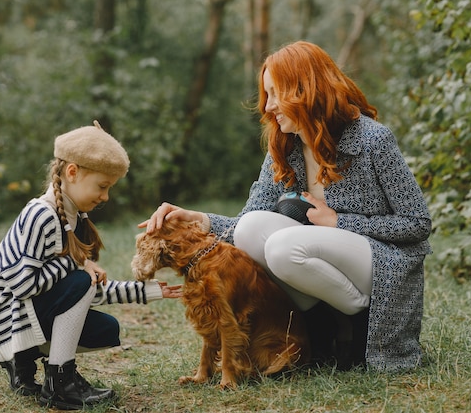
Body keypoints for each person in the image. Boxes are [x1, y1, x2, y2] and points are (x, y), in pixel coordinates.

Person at [141, 41, 432, 372]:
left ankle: (358, 328)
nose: (269, 107)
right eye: (267, 96)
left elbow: (417, 223)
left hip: (380, 262)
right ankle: (320, 332)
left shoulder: (372, 140)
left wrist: (339, 221)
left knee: (283, 246)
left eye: (276, 95)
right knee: (253, 229)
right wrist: (202, 220)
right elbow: (248, 221)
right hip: (315, 257)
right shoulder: (284, 145)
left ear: (305, 90)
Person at [0, 121, 182, 410]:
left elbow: (81, 294)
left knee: (105, 329)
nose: (106, 197)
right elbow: (22, 286)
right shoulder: (42, 216)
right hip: (3, 319)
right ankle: (58, 383)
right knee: (80, 280)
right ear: (72, 172)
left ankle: (39, 368)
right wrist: (74, 264)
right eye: (102, 186)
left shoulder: (74, 220)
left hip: (29, 310)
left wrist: (148, 291)